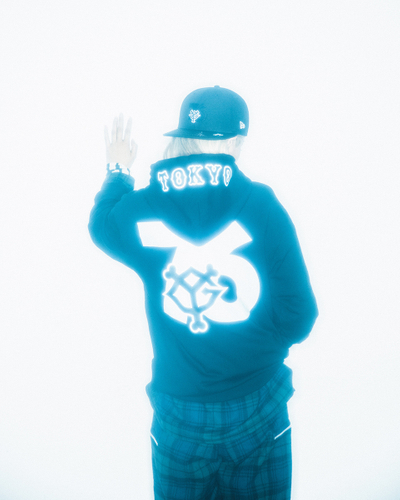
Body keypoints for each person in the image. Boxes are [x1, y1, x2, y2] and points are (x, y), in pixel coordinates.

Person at [88, 86, 318, 500]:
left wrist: (118, 170)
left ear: (183, 136)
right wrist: (255, 347)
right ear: (237, 140)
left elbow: (103, 226)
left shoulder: (145, 207)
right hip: (258, 407)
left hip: (180, 416)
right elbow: (300, 315)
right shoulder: (261, 204)